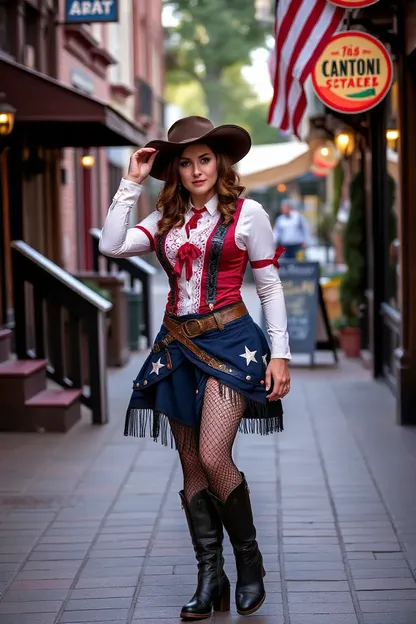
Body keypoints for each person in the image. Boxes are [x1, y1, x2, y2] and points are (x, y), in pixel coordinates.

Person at [99, 116, 291, 620]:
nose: (196, 170)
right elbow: (110, 244)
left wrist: (281, 353)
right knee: (190, 467)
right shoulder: (164, 223)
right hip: (177, 349)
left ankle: (249, 563)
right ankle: (211, 576)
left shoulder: (249, 214)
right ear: (176, 172)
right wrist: (132, 182)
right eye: (184, 163)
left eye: (204, 159)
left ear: (219, 162)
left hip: (232, 345)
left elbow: (269, 287)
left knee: (212, 454)